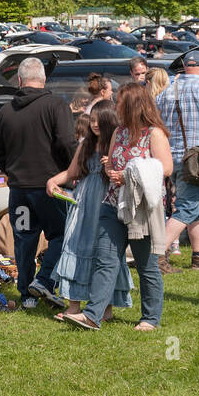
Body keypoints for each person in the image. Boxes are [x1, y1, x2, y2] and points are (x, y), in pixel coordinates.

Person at [61, 85, 172, 330]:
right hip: (113, 203)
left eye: (120, 102)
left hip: (141, 208)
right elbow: (111, 161)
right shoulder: (118, 133)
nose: (116, 106)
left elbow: (165, 168)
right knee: (106, 259)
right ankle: (93, 315)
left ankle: (150, 318)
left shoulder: (153, 134)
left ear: (132, 105)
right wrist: (111, 169)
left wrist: (130, 174)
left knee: (146, 265)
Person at [0, 57, 76, 309]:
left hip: (20, 191)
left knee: (25, 239)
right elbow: (67, 143)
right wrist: (72, 170)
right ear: (44, 79)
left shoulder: (4, 112)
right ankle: (44, 280)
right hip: (51, 189)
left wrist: (10, 170)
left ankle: (26, 293)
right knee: (61, 235)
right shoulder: (56, 106)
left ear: (18, 80)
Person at [46, 100, 132, 321]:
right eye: (91, 119)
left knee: (106, 253)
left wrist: (111, 165)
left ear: (109, 120)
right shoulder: (86, 144)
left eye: (98, 120)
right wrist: (53, 181)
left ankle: (106, 309)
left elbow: (128, 174)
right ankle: (73, 306)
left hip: (107, 201)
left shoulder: (118, 144)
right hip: (84, 204)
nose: (94, 124)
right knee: (76, 245)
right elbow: (72, 172)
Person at [153, 51, 199, 272]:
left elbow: (155, 123)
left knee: (197, 206)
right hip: (196, 160)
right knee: (187, 208)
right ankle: (156, 255)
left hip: (169, 158)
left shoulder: (166, 90)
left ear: (184, 66)